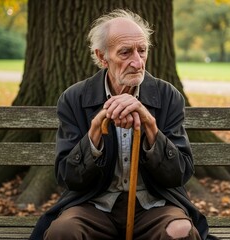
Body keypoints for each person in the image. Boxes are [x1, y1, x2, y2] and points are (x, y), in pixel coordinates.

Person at [30, 9, 210, 240]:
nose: (137, 62)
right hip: (93, 204)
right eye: (125, 52)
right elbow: (68, 177)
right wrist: (95, 130)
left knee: (180, 231)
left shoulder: (167, 96)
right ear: (102, 57)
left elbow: (179, 174)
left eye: (142, 51)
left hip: (154, 204)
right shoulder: (74, 98)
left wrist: (151, 127)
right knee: (63, 231)